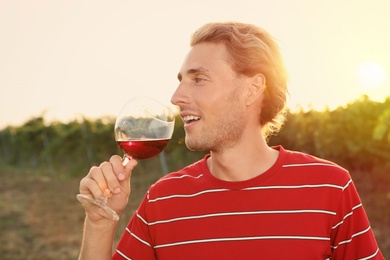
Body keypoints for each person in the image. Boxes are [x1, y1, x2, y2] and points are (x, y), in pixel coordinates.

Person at [78, 22, 384, 259]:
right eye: (180, 81)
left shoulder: (329, 187)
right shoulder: (163, 200)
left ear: (252, 89)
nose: (176, 97)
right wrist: (99, 223)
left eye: (198, 79)